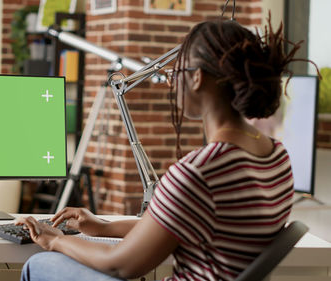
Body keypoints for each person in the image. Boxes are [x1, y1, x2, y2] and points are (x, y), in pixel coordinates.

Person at [17, 17, 318, 281]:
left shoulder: (199, 172)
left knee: (41, 264)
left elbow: (121, 265)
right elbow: (173, 225)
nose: (172, 79)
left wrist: (53, 240)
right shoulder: (276, 155)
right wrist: (101, 226)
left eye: (178, 69)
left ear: (197, 78)